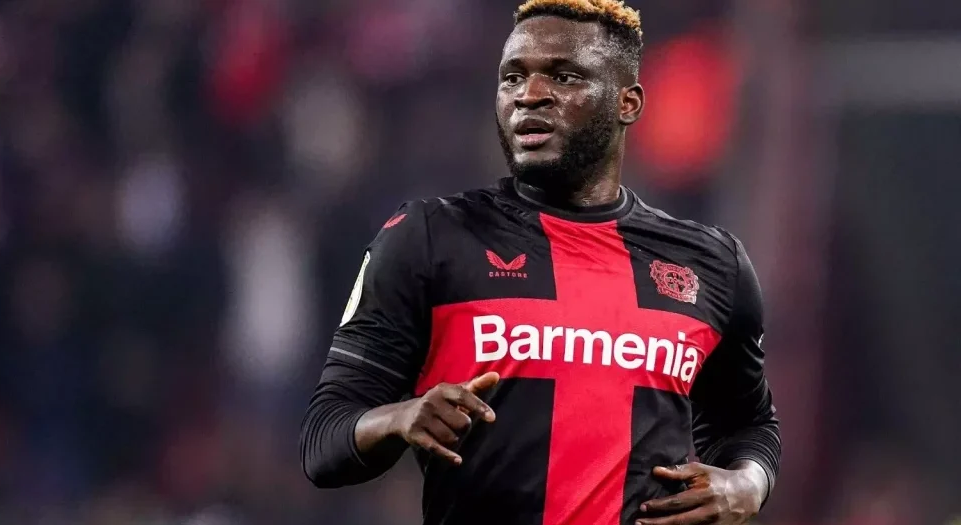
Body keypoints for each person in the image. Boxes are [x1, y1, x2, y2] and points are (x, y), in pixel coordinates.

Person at [299, 1, 781, 524]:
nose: (529, 94)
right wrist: (401, 417)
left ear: (628, 102)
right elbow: (325, 438)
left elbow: (750, 424)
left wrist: (747, 484)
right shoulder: (430, 238)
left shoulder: (710, 263)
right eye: (513, 77)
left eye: (564, 76)